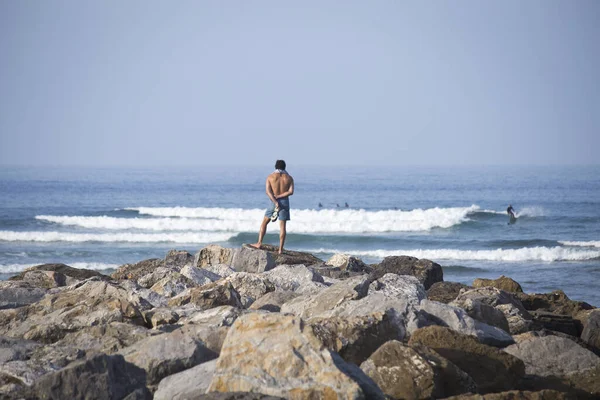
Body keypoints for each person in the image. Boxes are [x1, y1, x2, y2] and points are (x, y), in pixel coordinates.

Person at [251, 160, 294, 254]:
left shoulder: (270, 177)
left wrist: (275, 200)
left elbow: (268, 192)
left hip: (273, 202)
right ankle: (280, 249)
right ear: (284, 167)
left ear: (275, 167)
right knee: (282, 227)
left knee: (264, 223)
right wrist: (280, 197)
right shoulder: (289, 178)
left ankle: (259, 243)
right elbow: (291, 192)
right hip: (285, 202)